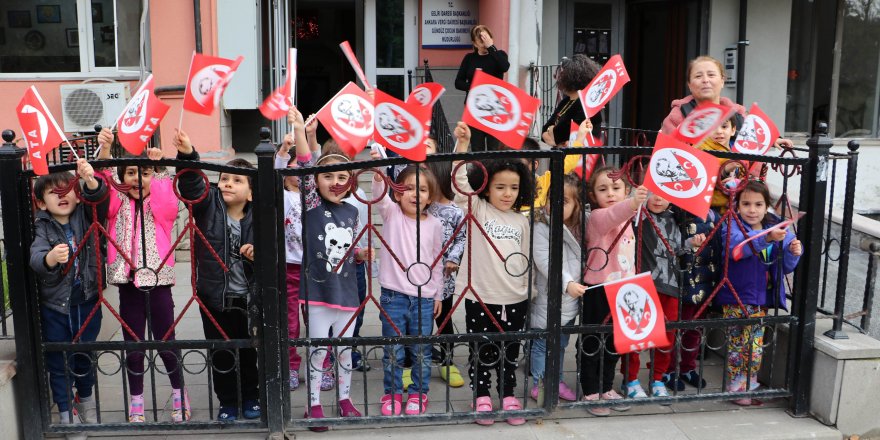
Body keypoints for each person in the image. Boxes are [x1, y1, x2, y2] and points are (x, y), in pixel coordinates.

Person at [95, 129, 189, 423]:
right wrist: (106, 152)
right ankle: (136, 401)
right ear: (122, 178)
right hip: (128, 283)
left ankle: (179, 394)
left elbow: (170, 206)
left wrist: (159, 171)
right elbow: (102, 191)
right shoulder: (117, 204)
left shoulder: (158, 203)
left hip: (158, 282)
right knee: (133, 344)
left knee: (166, 341)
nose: (138, 179)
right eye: (131, 173)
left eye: (145, 173)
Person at [291, 107, 372, 431]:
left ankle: (344, 397)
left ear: (350, 181)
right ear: (316, 182)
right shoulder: (311, 205)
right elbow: (305, 165)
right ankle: (313, 405)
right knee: (318, 351)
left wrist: (360, 254)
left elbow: (347, 251)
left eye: (342, 177)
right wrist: (301, 131)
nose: (335, 182)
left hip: (348, 294)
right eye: (328, 177)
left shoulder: (353, 210)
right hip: (319, 293)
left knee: (343, 352)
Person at [174, 129, 261, 423]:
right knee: (221, 353)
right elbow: (191, 186)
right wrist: (188, 156)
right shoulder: (209, 205)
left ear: (251, 192)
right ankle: (228, 401)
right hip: (215, 298)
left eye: (237, 181)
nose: (227, 184)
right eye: (224, 178)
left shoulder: (259, 214)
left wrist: (256, 252)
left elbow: (274, 248)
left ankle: (251, 396)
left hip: (248, 298)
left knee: (249, 352)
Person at [452, 122, 533, 426]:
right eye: (500, 187)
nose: (507, 193)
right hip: (480, 294)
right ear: (486, 187)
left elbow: (526, 260)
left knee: (510, 350)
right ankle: (482, 396)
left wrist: (529, 291)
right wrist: (463, 147)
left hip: (515, 297)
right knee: (482, 349)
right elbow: (459, 181)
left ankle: (508, 394)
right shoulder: (478, 209)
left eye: (513, 187)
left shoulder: (522, 220)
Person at [30, 159, 108, 438]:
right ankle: (65, 414)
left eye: (67, 190)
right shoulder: (41, 226)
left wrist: (90, 181)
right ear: (40, 203)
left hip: (86, 300)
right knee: (60, 361)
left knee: (84, 357)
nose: (62, 197)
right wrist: (50, 258)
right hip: (56, 306)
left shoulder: (87, 216)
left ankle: (85, 402)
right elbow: (36, 257)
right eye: (54, 193)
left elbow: (100, 199)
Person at [716, 180, 801, 406]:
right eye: (746, 204)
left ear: (766, 207)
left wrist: (794, 252)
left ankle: (748, 384)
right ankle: (736, 387)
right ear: (737, 205)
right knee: (736, 345)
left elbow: (786, 266)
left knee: (753, 346)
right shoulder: (732, 226)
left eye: (758, 204)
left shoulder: (775, 228)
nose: (752, 210)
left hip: (760, 298)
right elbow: (737, 249)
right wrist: (767, 238)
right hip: (735, 296)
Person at [368, 165, 444, 416]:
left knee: (421, 350)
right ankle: (392, 393)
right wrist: (379, 174)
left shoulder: (434, 225)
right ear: (398, 193)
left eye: (422, 190)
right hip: (393, 297)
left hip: (423, 298)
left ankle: (418, 392)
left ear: (430, 197)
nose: (415, 194)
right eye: (409, 188)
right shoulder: (392, 214)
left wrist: (438, 293)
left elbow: (437, 260)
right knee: (393, 349)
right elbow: (379, 195)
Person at [579, 165, 647, 416]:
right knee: (593, 340)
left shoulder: (629, 214)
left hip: (625, 287)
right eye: (603, 189)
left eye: (616, 188)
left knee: (615, 342)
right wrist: (632, 202)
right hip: (599, 286)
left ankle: (607, 386)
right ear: (593, 195)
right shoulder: (597, 216)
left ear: (625, 189)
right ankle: (590, 390)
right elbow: (614, 215)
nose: (610, 193)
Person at [625, 193, 705, 400]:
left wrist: (691, 244)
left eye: (664, 195)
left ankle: (658, 378)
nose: (658, 199)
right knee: (636, 336)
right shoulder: (640, 215)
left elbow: (676, 249)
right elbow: (630, 207)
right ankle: (631, 379)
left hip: (670, 286)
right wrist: (637, 196)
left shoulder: (673, 218)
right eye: (652, 194)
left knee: (666, 338)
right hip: (643, 285)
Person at [275, 108, 323, 391]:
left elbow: (313, 165)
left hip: (314, 266)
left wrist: (310, 134)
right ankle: (291, 366)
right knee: (291, 322)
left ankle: (320, 365)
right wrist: (284, 149)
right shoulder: (281, 195)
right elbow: (276, 171)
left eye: (299, 170)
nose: (295, 174)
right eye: (290, 170)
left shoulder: (313, 195)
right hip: (290, 267)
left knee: (317, 321)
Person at [529, 174, 586, 405]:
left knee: (561, 344)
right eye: (553, 198)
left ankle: (558, 379)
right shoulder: (542, 226)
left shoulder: (581, 225)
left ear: (576, 205)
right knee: (543, 344)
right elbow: (545, 261)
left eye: (564, 201)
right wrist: (567, 283)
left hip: (570, 302)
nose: (556, 204)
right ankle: (540, 383)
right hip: (549, 297)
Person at [660, 55, 794, 150]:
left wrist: (773, 139)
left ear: (722, 81)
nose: (705, 80)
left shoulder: (737, 114)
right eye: (698, 76)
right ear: (689, 85)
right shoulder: (677, 116)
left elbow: (755, 136)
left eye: (711, 75)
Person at [424, 137, 467, 388]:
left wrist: (453, 258)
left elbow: (461, 238)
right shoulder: (420, 208)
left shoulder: (454, 210)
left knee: (445, 320)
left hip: (445, 279)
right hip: (418, 276)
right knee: (418, 321)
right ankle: (414, 362)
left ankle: (447, 362)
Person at [455, 25, 510, 151]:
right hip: (475, 108)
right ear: (474, 43)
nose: (484, 41)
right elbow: (458, 82)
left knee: (494, 148)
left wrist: (491, 47)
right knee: (477, 148)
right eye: (480, 39)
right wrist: (474, 87)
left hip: (495, 108)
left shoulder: (499, 55)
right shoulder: (470, 58)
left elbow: (505, 67)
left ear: (491, 38)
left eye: (486, 37)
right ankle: (478, 171)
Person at [540, 54, 603, 147]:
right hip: (560, 157)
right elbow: (544, 133)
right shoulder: (565, 101)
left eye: (561, 76)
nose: (558, 79)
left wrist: (552, 131)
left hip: (577, 159)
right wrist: (551, 133)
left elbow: (557, 137)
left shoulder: (585, 105)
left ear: (570, 79)